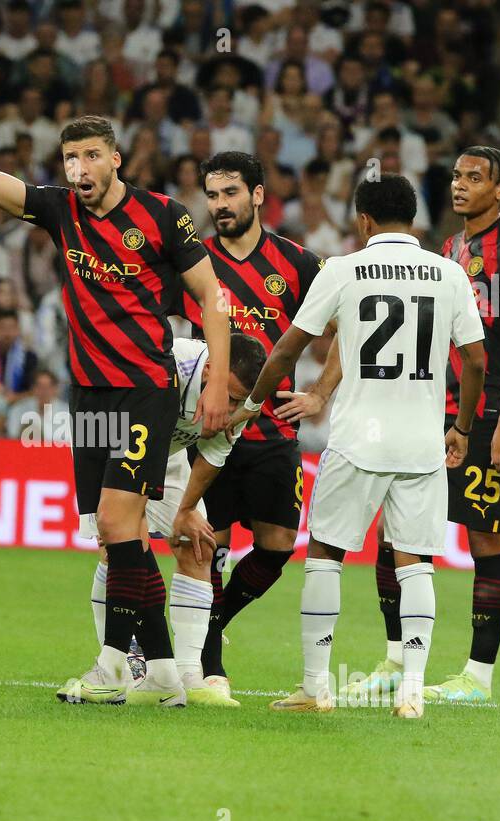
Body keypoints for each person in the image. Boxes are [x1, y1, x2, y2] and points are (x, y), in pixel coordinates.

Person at [0, 44, 232, 707]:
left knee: (117, 522)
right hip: (90, 394)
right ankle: (155, 673)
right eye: (69, 159)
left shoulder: (164, 215)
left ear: (114, 159)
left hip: (145, 388)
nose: (78, 169)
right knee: (118, 535)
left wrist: (218, 382)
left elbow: (213, 299)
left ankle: (141, 671)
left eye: (89, 157)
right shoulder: (58, 209)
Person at [229, 174, 487, 719]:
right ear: (413, 220)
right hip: (421, 441)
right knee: (415, 562)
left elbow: (285, 350)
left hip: (356, 442)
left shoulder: (343, 270)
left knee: (326, 554)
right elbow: (478, 359)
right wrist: (461, 428)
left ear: (363, 220)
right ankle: (413, 691)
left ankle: (316, 687)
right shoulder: (448, 274)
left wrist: (251, 405)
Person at [311, 147, 500, 704]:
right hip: (432, 411)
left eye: (476, 177)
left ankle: (477, 676)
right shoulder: (448, 250)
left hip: (489, 412)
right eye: (457, 176)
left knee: (486, 534)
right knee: (397, 535)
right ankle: (397, 660)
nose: (461, 185)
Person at [177, 151, 327, 702]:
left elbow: (345, 329)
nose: (220, 205)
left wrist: (319, 394)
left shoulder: (297, 264)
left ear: (258, 195)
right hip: (208, 429)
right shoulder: (193, 263)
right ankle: (208, 668)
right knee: (204, 546)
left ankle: (214, 622)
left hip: (270, 433)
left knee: (277, 545)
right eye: (212, 195)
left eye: (230, 194)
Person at [79, 332, 269, 706]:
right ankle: (127, 663)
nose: (231, 408)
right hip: (113, 440)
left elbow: (213, 456)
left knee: (196, 544)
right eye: (228, 397)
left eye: (238, 401)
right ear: (210, 369)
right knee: (119, 547)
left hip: (168, 455)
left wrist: (184, 513)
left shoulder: (244, 405)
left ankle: (187, 674)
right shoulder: (168, 363)